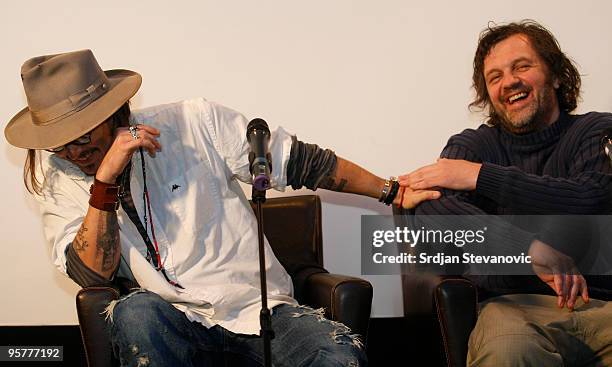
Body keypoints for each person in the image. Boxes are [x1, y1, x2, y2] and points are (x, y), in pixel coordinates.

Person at [5, 49, 439, 366]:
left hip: (255, 310)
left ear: (115, 112)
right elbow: (89, 274)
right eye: (59, 144)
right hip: (169, 322)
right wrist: (102, 184)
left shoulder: (194, 123)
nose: (73, 153)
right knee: (137, 312)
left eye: (82, 136)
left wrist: (390, 190)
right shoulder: (57, 176)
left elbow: (306, 162)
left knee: (338, 356)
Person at [399, 20, 612, 366]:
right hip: (515, 307)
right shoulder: (472, 145)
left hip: (604, 306)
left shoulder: (597, 130)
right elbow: (434, 213)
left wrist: (480, 178)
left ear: (557, 75)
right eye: (494, 76)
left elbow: (593, 198)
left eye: (522, 66)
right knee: (508, 350)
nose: (509, 81)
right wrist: (525, 249)